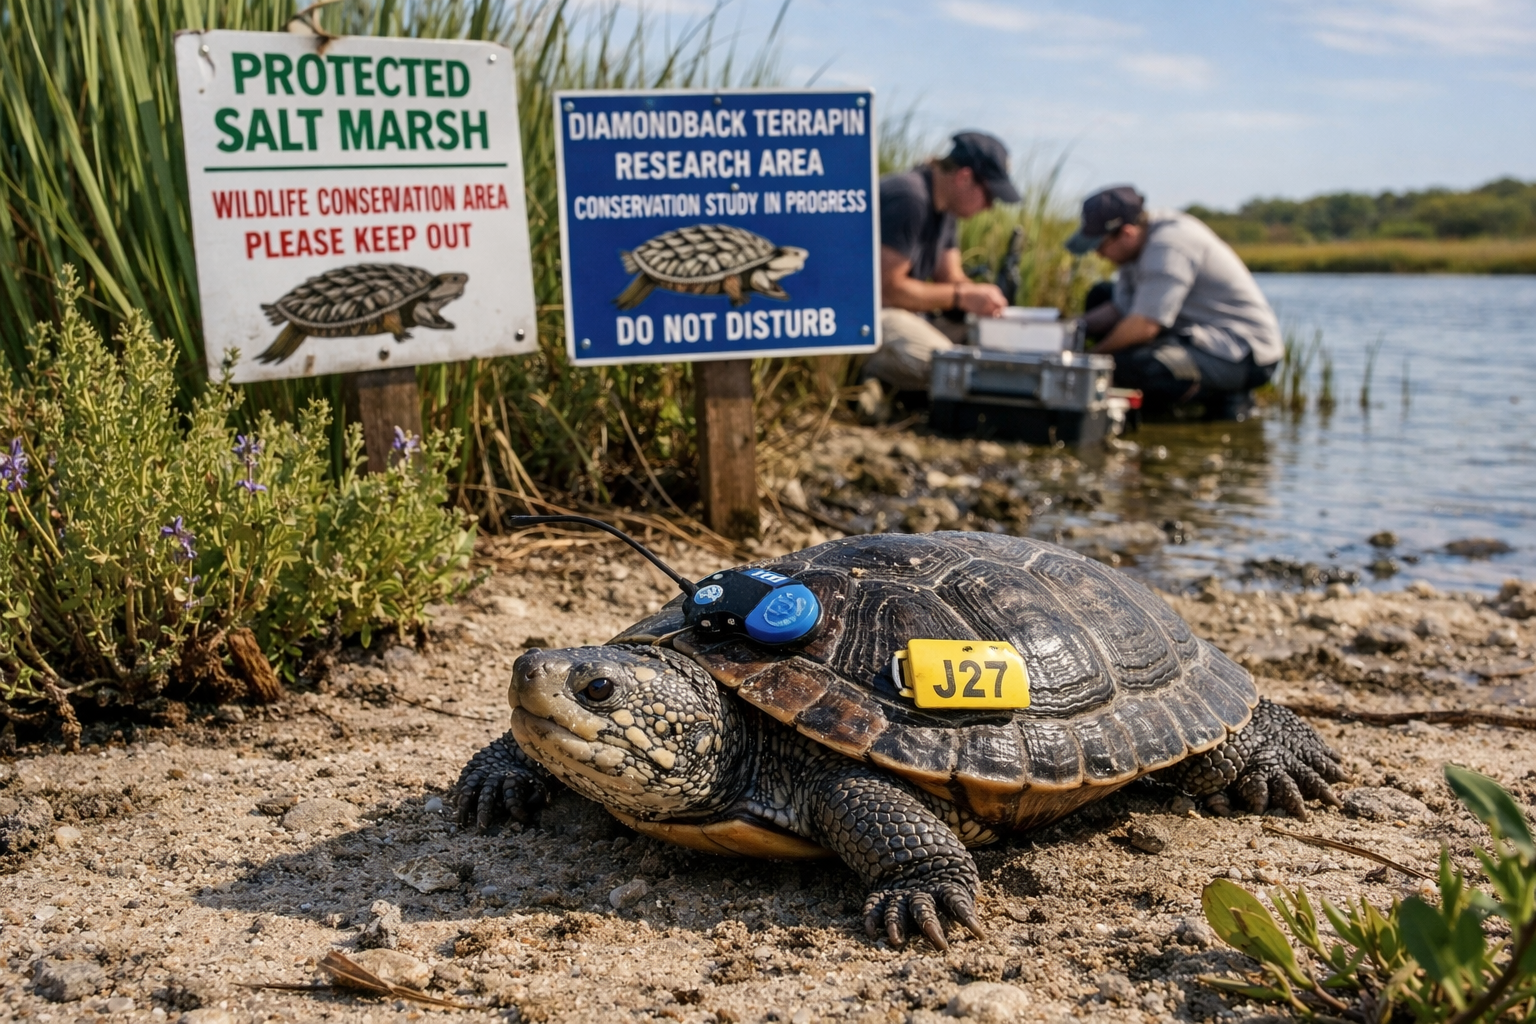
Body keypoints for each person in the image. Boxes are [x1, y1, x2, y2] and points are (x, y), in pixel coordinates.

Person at [1068, 186, 1282, 420]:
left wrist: (1089, 360)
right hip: (1194, 333)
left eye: (1100, 246)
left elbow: (1145, 325)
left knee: (1136, 367)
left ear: (1127, 233)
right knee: (1100, 295)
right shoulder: (1137, 244)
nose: (1098, 254)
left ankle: (1226, 395)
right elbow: (1120, 309)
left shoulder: (1169, 247)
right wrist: (1069, 328)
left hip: (1241, 354)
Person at [859, 132, 1020, 417]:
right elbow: (887, 290)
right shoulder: (910, 198)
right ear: (964, 178)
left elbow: (952, 277)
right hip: (867, 319)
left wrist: (981, 297)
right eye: (989, 195)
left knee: (983, 345)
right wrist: (961, 297)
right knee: (950, 368)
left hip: (902, 314)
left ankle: (888, 383)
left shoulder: (946, 208)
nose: (990, 206)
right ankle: (866, 374)